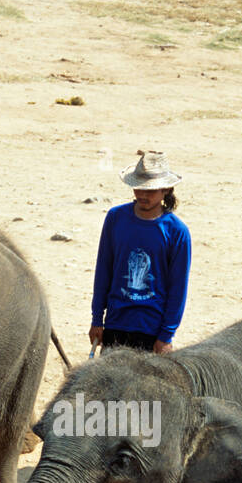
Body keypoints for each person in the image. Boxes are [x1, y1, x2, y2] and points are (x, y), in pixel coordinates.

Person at [90, 151, 192, 355]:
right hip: (115, 324)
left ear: (165, 190)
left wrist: (166, 336)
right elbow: (103, 271)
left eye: (151, 190)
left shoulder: (177, 232)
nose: (143, 195)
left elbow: (178, 289)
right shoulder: (115, 219)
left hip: (151, 331)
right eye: (139, 188)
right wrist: (96, 319)